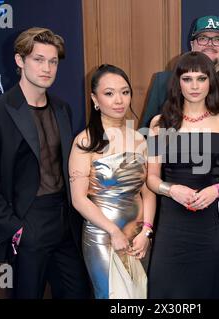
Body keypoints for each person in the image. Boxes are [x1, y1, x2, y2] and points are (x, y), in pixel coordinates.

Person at [0, 27, 91, 299]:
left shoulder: (62, 108)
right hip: (28, 222)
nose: (47, 68)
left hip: (66, 221)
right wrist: (15, 228)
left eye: (53, 61)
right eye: (38, 59)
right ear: (19, 61)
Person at [146, 51, 219, 298]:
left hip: (211, 222)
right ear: (177, 83)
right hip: (172, 221)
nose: (194, 86)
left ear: (211, 82)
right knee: (167, 289)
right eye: (187, 78)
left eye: (201, 78)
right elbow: (152, 179)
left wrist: (216, 190)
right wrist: (171, 189)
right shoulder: (160, 124)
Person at [68, 64, 156, 299]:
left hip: (138, 237)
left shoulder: (140, 139)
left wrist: (146, 232)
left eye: (125, 92)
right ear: (95, 99)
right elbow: (78, 199)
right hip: (102, 236)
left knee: (138, 296)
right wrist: (113, 231)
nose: (119, 100)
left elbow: (147, 192)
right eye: (109, 93)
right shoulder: (85, 141)